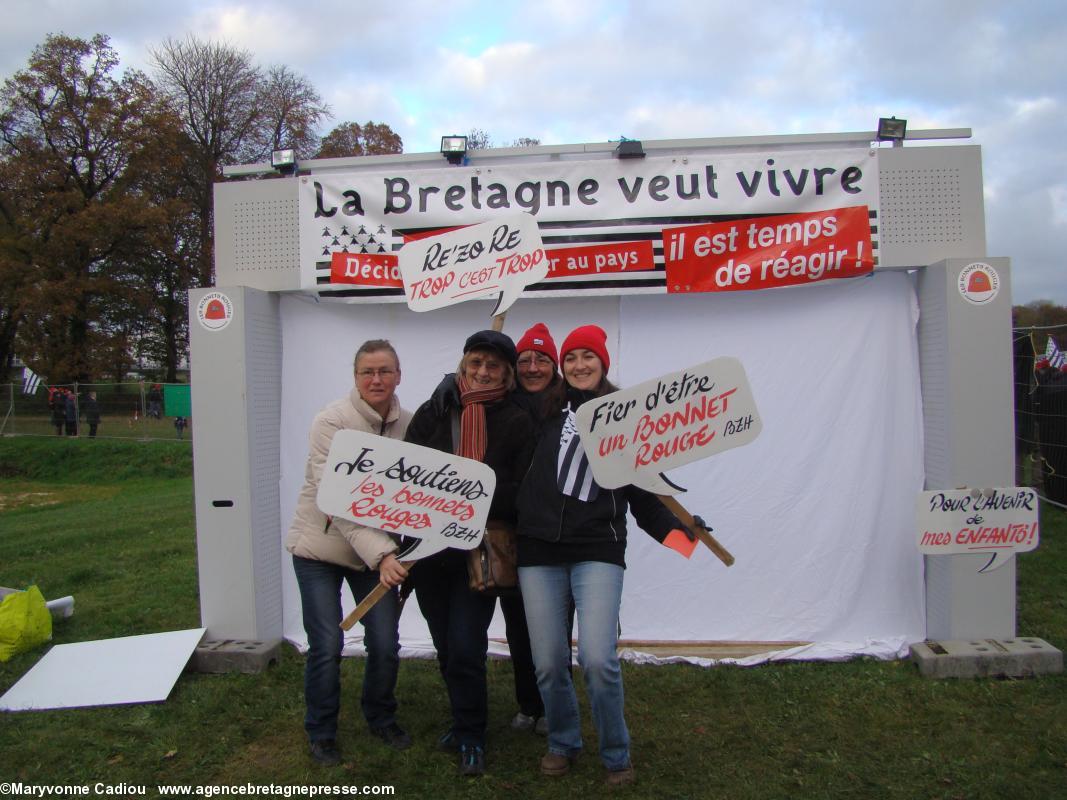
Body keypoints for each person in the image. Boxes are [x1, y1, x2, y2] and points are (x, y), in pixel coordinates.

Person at [517, 324, 694, 787]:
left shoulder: (625, 417)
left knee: (598, 658)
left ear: (602, 363)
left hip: (598, 549)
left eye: (587, 357)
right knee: (549, 661)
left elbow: (646, 494)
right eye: (571, 357)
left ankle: (616, 753)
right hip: (537, 552)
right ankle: (562, 740)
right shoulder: (540, 409)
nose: (578, 365)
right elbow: (495, 389)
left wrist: (681, 536)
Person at [405, 330, 536, 776]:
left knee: (465, 646)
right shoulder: (435, 409)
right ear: (463, 363)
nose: (483, 371)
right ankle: (463, 718)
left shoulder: (518, 420)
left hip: (477, 554)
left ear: (507, 373)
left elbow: (522, 490)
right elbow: (406, 471)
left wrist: (474, 499)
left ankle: (472, 736)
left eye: (494, 366)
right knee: (445, 646)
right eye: (476, 362)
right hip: (428, 552)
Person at [285, 340, 413, 767]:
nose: (376, 380)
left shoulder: (407, 424)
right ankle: (321, 732)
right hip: (319, 550)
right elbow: (336, 499)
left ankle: (380, 715)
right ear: (355, 377)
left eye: (385, 371)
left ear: (398, 375)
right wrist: (383, 555)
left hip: (374, 555)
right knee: (326, 642)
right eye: (367, 372)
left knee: (385, 641)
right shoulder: (331, 422)